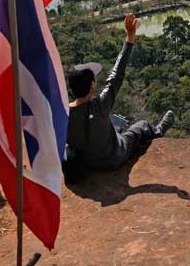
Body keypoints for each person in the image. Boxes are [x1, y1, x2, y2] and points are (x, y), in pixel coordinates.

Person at [63, 13, 174, 180]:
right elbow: (116, 74)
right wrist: (130, 37)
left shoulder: (62, 114)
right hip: (114, 159)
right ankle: (157, 132)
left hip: (86, 164)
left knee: (114, 125)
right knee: (141, 126)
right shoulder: (100, 105)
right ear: (93, 84)